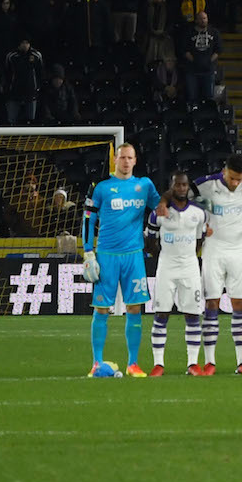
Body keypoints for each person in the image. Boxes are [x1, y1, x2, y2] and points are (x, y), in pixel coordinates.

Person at [81, 142, 159, 377]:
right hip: (106, 256)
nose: (126, 161)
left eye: (130, 158)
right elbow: (88, 219)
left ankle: (133, 364)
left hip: (134, 256)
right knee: (102, 309)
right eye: (122, 157)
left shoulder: (144, 185)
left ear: (135, 161)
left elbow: (162, 210)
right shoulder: (101, 187)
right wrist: (87, 251)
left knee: (134, 307)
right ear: (115, 159)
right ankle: (96, 363)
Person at [194, 155, 242, 375]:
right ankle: (210, 362)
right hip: (213, 250)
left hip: (238, 251)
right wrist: (201, 224)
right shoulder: (205, 185)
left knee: (240, 304)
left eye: (238, 180)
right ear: (225, 171)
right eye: (232, 178)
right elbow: (183, 199)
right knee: (211, 303)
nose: (235, 183)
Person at [147, 171, 208, 377]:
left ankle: (192, 364)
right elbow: (150, 240)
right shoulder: (158, 212)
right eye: (177, 185)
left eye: (184, 185)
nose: (181, 188)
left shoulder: (199, 213)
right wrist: (163, 255)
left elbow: (200, 237)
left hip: (190, 267)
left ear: (188, 187)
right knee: (161, 313)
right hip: (166, 266)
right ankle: (158, 364)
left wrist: (190, 254)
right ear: (171, 187)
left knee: (192, 314)